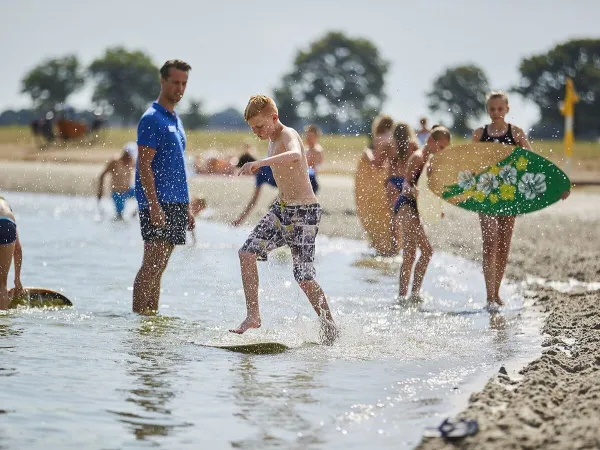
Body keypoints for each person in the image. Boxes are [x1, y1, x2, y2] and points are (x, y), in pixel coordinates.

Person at [230, 95, 337, 344]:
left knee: (304, 277)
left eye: (259, 126)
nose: (257, 132)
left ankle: (330, 327)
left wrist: (260, 164)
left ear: (274, 118)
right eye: (252, 128)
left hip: (305, 212)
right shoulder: (270, 138)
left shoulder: (287, 134)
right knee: (246, 254)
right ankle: (253, 316)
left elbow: (296, 155)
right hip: (282, 209)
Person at [472, 91, 569, 308]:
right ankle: (489, 297)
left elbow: (535, 163)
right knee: (490, 243)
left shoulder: (516, 133)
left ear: (507, 109)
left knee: (504, 245)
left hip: (509, 195)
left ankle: (496, 293)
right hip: (485, 195)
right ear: (487, 110)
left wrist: (558, 186)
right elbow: (470, 164)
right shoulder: (479, 134)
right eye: (492, 109)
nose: (496, 113)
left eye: (500, 109)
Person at [132, 60, 195, 314]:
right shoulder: (152, 118)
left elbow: (178, 168)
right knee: (151, 265)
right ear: (163, 81)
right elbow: (143, 166)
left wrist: (187, 207)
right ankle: (140, 321)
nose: (180, 88)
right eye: (175, 82)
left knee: (160, 267)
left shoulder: (176, 120)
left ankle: (151, 319)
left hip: (177, 202)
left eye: (184, 83)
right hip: (158, 202)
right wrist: (154, 205)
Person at [397, 127, 451, 301]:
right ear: (431, 141)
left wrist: (436, 208)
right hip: (406, 207)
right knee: (426, 251)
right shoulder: (418, 158)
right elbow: (406, 185)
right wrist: (414, 192)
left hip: (416, 209)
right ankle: (411, 294)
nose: (443, 151)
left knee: (410, 255)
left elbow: (431, 190)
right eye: (441, 147)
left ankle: (405, 296)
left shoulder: (433, 162)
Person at [388, 122, 419, 249]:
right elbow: (419, 162)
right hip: (408, 181)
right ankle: (409, 245)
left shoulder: (390, 145)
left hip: (393, 182)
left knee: (394, 215)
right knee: (410, 213)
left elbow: (385, 165)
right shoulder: (413, 145)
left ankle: (395, 247)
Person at [230, 154, 279, 227]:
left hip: (294, 185)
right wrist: (240, 219)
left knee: (275, 207)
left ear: (249, 166)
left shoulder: (267, 165)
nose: (244, 174)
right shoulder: (259, 176)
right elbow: (254, 200)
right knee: (273, 208)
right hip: (284, 190)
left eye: (244, 171)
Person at [97, 142, 137, 220]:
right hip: (118, 192)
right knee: (119, 216)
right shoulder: (115, 161)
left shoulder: (132, 161)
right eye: (129, 156)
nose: (131, 158)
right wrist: (100, 190)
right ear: (125, 153)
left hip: (129, 189)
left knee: (145, 195)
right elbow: (102, 175)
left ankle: (135, 212)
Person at [0, 196, 23, 310]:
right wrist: (17, 280)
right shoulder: (7, 210)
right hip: (7, 225)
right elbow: (17, 248)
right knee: (2, 282)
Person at [304, 124, 323, 194]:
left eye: (310, 136)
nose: (307, 138)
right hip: (304, 179)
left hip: (310, 182)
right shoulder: (306, 148)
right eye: (307, 136)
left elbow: (314, 168)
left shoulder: (317, 150)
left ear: (316, 137)